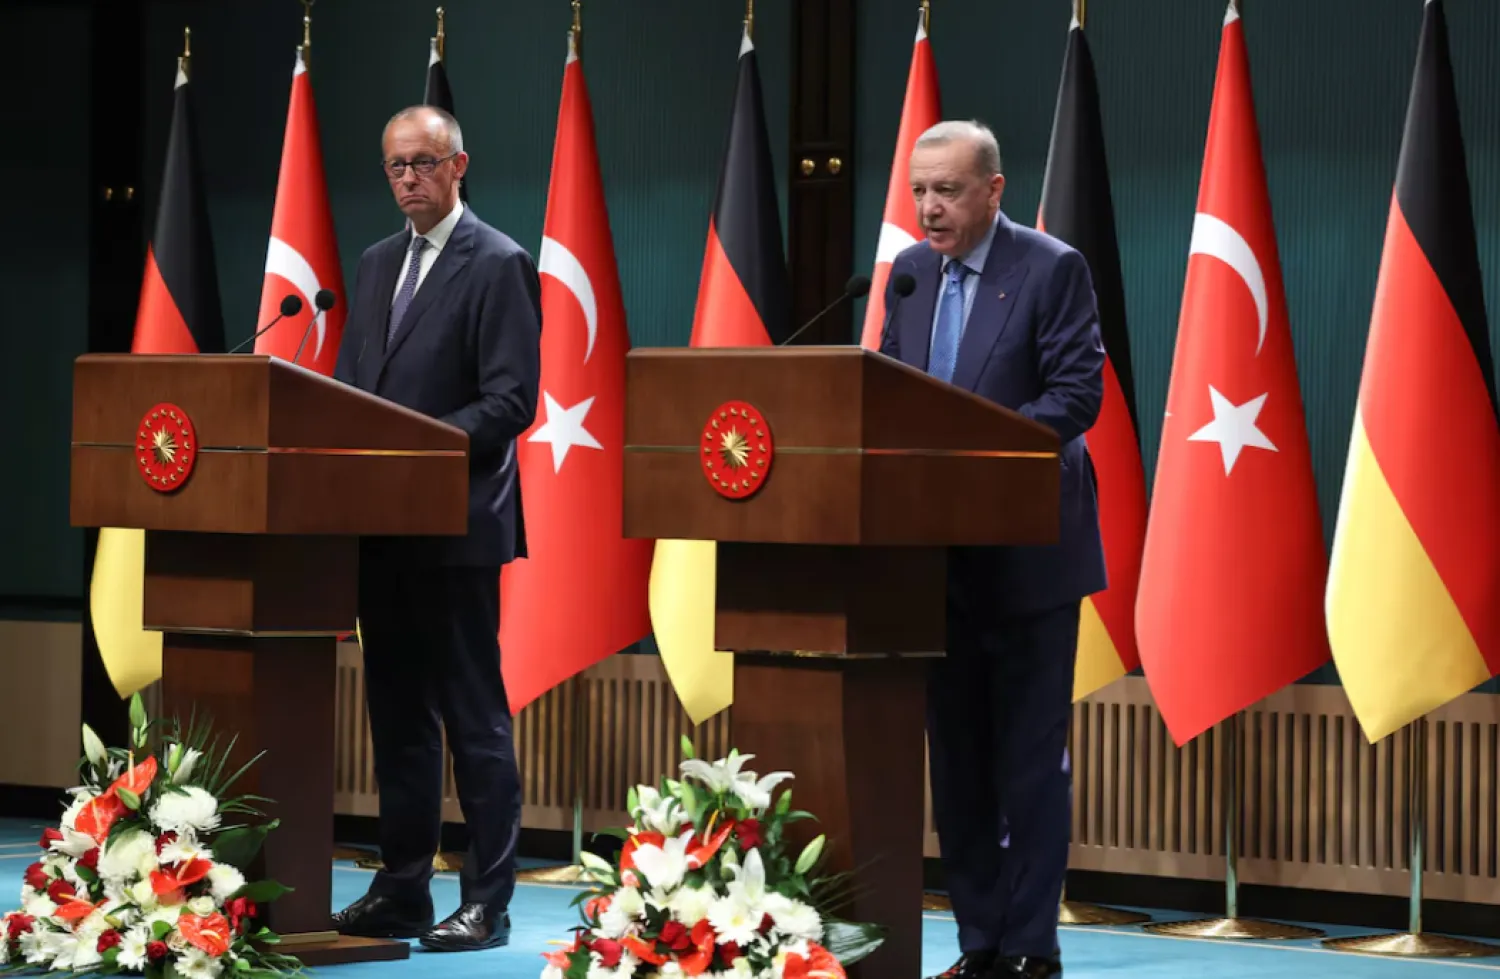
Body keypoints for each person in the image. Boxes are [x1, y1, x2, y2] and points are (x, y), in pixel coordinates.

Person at [880, 120, 1105, 979]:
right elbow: (893, 393)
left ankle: (1030, 948)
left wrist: (971, 452)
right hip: (934, 560)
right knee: (962, 763)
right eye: (920, 192)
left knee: (1028, 762)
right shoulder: (907, 274)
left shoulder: (1051, 268)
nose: (930, 208)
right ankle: (979, 945)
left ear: (994, 189)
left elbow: (1074, 396)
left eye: (948, 190)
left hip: (1027, 555)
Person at [329, 105, 541, 953]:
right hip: (384, 532)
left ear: (459, 166)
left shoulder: (498, 262)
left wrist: (415, 450)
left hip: (455, 529)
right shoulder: (377, 263)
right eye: (394, 166)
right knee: (399, 718)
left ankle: (486, 899)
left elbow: (511, 401)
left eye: (422, 163)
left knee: (473, 718)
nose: (407, 178)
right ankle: (404, 887)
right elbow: (348, 389)